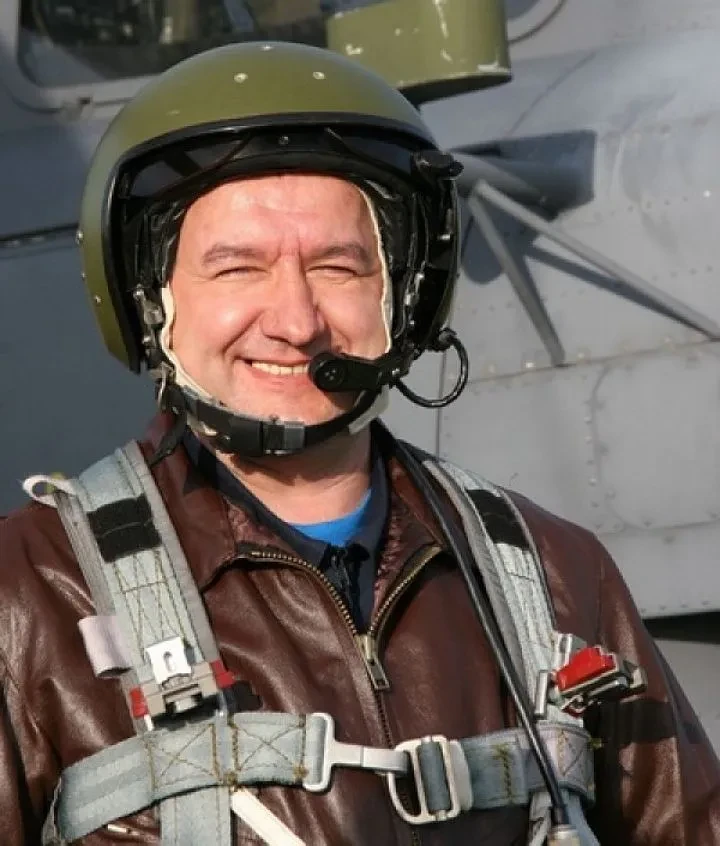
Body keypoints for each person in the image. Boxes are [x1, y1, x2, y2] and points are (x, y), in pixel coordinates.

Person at [1, 40, 719, 846]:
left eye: (338, 267)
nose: (296, 321)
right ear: (149, 299)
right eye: (237, 269)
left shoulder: (559, 577)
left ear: (405, 295)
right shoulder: (30, 596)